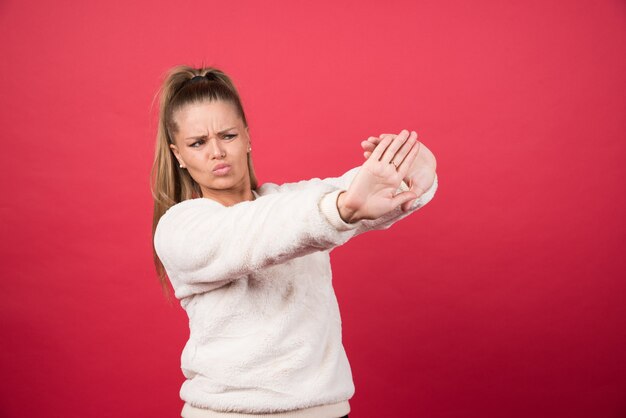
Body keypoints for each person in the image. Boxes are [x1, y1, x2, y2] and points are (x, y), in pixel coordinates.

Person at [150, 65, 439, 418]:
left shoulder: (295, 203)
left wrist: (417, 166)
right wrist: (340, 209)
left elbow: (370, 191)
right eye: (198, 143)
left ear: (247, 136)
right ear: (178, 154)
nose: (216, 152)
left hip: (325, 410)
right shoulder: (180, 227)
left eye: (227, 135)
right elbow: (258, 232)